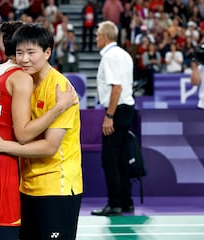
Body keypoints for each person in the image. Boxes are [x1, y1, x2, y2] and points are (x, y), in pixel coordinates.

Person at [0, 21, 77, 240]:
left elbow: (50, 146)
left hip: (54, 185)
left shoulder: (62, 90)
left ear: (48, 52)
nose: (24, 58)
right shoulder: (24, 80)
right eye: (20, 52)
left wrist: (3, 145)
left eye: (31, 52)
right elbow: (4, 118)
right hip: (23, 183)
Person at [90, 20, 136, 216]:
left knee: (110, 159)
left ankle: (115, 204)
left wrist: (109, 116)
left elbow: (116, 87)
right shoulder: (124, 54)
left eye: (98, 35)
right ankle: (126, 202)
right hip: (127, 108)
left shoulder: (109, 57)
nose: (96, 38)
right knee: (122, 159)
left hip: (116, 110)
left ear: (105, 36)